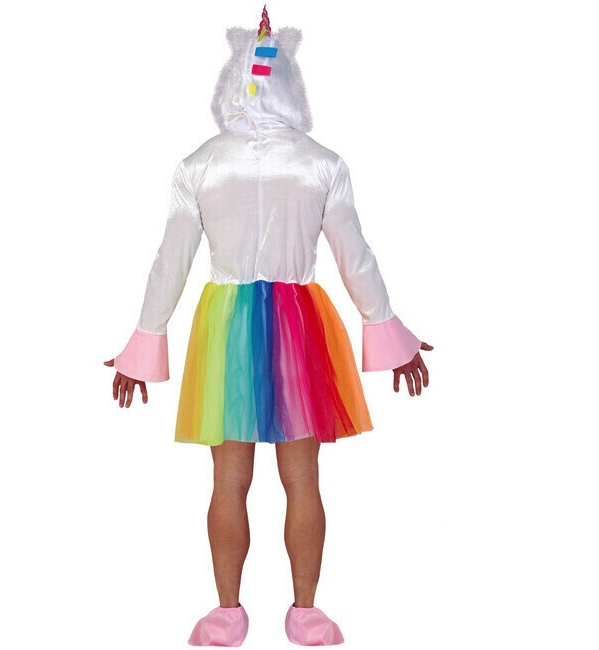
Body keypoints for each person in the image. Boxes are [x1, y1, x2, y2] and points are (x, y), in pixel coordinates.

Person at [105, 8, 432, 646]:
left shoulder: (200, 164)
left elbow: (171, 261)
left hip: (225, 329)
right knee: (303, 479)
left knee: (228, 479)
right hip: (299, 328)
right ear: (292, 86)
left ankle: (226, 613)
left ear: (231, 84)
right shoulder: (321, 163)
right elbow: (356, 257)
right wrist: (390, 333)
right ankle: (305, 611)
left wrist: (142, 344)